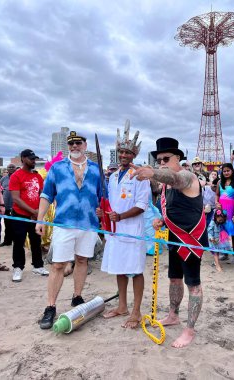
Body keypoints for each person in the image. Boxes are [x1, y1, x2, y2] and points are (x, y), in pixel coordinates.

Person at [130, 137, 208, 348]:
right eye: (159, 160)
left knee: (193, 285)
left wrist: (153, 172)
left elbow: (176, 179)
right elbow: (176, 209)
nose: (162, 162)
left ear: (178, 158)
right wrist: (162, 221)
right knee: (174, 279)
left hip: (191, 239)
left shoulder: (186, 176)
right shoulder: (166, 186)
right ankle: (174, 315)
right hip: (174, 237)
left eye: (166, 158)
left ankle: (189, 330)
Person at [36, 131, 102, 329]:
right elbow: (46, 195)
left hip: (88, 225)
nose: (74, 146)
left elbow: (101, 196)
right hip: (64, 224)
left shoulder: (96, 169)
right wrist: (40, 219)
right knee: (58, 265)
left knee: (82, 260)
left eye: (78, 143)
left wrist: (102, 210)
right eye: (71, 143)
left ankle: (77, 297)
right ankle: (50, 306)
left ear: (85, 145)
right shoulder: (57, 168)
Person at [97, 121, 150, 329]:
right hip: (116, 231)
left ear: (134, 155)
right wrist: (104, 212)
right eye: (121, 152)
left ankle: (136, 312)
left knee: (135, 270)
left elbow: (141, 205)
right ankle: (122, 306)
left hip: (133, 230)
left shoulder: (140, 175)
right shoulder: (113, 176)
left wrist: (121, 216)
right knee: (120, 268)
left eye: (128, 153)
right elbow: (112, 202)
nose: (124, 156)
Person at [9, 150, 48, 282]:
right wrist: (33, 211)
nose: (34, 161)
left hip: (35, 215)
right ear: (23, 159)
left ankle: (38, 266)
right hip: (19, 215)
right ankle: (18, 267)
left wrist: (39, 211)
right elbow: (16, 199)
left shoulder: (37, 177)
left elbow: (42, 194)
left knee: (36, 241)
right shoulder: (16, 176)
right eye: (31, 159)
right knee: (19, 242)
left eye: (34, 159)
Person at [215, 163, 234, 262]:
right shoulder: (219, 182)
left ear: (232, 171)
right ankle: (224, 253)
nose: (226, 173)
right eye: (224, 171)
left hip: (232, 209)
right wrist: (216, 202)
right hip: (222, 210)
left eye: (228, 170)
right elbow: (217, 195)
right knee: (223, 231)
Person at [0, 164, 16, 247]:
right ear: (7, 169)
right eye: (10, 167)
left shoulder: (18, 177)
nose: (11, 168)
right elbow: (0, 191)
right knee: (7, 224)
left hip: (16, 206)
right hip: (6, 205)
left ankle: (19, 242)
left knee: (17, 224)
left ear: (15, 168)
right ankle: (7, 241)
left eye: (13, 167)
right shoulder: (3, 179)